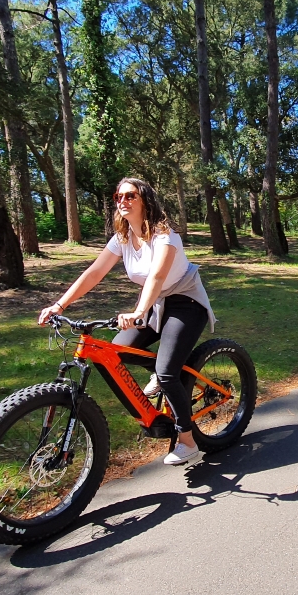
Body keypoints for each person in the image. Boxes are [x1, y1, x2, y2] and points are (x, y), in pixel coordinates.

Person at [39, 177, 215, 465]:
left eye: (130, 195)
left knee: (168, 371)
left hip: (186, 302)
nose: (123, 201)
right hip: (153, 303)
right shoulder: (122, 238)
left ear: (145, 199)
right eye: (118, 196)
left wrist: (137, 312)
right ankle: (160, 378)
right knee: (115, 352)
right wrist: (59, 304)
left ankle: (187, 439)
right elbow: (94, 273)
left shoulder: (165, 236)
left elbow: (157, 277)